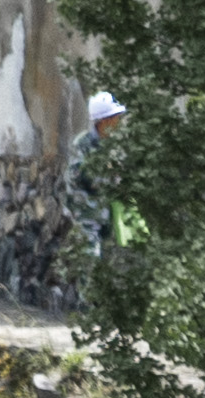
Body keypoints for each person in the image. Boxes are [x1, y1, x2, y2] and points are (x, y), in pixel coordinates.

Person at [61, 89, 128, 269]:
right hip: (87, 216)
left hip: (105, 216)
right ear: (104, 121)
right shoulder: (82, 145)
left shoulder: (109, 145)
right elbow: (79, 177)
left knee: (108, 265)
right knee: (90, 263)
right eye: (116, 118)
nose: (119, 122)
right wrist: (112, 180)